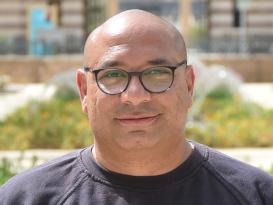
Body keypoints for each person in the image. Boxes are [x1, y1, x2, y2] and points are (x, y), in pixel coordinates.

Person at [0, 9, 272, 205]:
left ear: (189, 86)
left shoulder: (256, 195)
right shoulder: (25, 198)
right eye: (113, 75)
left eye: (157, 73)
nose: (135, 95)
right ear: (84, 90)